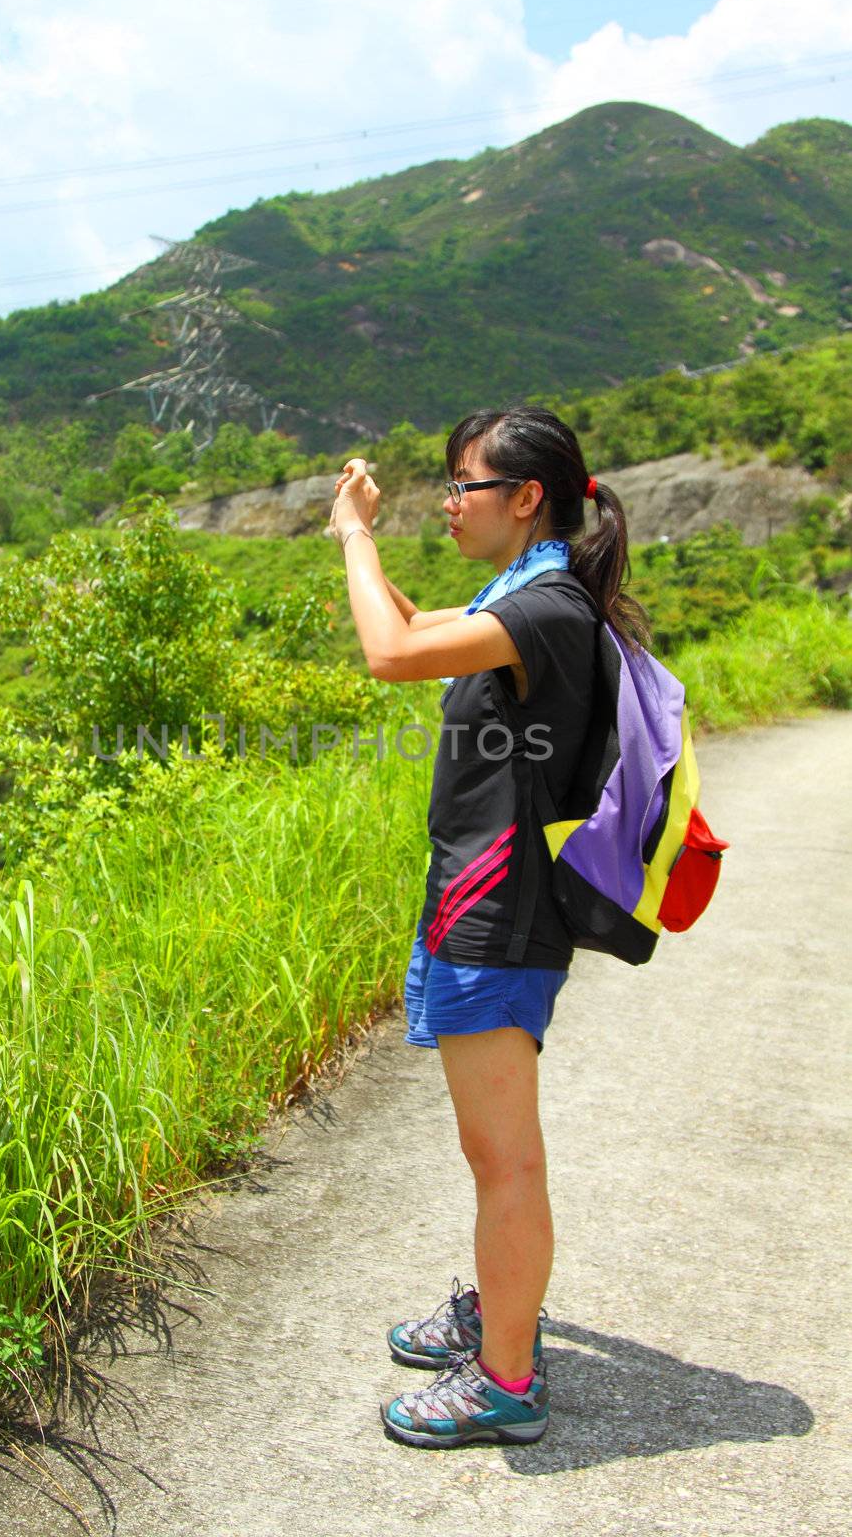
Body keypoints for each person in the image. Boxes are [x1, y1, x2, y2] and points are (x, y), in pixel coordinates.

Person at [326, 404, 650, 1450]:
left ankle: (505, 1378)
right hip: (471, 897)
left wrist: (353, 536)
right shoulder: (518, 596)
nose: (447, 504)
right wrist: (375, 565)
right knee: (489, 1150)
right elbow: (417, 636)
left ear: (525, 498)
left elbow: (385, 655)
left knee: (504, 1159)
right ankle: (498, 1304)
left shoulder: (548, 607)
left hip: (497, 910)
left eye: (464, 485)